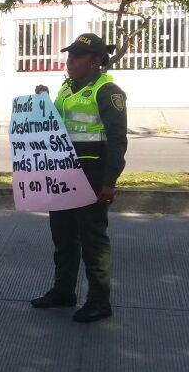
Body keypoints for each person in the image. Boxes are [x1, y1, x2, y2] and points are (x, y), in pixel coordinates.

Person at [31, 33, 128, 323]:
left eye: (77, 56)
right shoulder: (67, 88)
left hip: (92, 177)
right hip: (63, 175)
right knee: (63, 238)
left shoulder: (108, 92)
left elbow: (117, 141)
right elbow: (58, 125)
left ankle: (99, 302)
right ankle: (63, 292)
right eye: (69, 55)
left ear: (96, 61)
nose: (69, 61)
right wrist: (44, 102)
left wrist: (109, 183)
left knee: (92, 240)